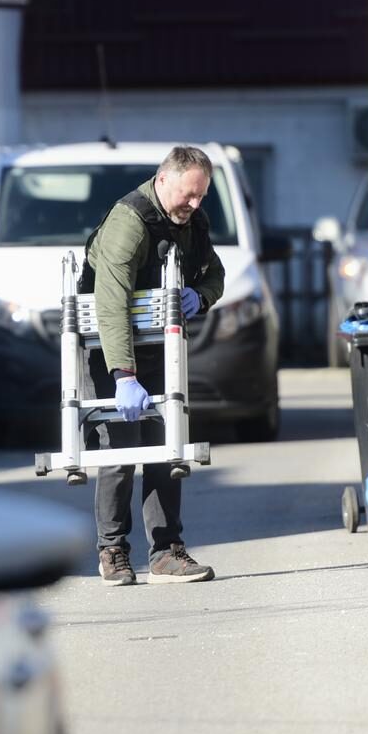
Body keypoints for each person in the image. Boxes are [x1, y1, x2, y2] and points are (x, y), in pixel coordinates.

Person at [82, 145, 225, 586]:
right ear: (163, 180)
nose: (196, 204)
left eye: (202, 196)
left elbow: (214, 272)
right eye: (189, 195)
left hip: (160, 348)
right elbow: (110, 303)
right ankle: (113, 553)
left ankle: (166, 554)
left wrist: (199, 296)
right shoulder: (130, 221)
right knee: (122, 451)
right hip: (111, 349)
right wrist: (123, 375)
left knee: (167, 446)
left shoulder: (190, 221)